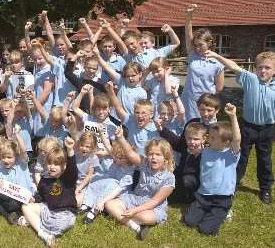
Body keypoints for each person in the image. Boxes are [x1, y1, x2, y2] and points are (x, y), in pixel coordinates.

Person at [205, 50, 275, 204]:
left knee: (264, 160)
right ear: (255, 68)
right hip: (248, 127)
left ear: (274, 70)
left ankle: (265, 189)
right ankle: (232, 184)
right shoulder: (251, 79)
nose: (263, 71)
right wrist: (217, 56)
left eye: (268, 68)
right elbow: (233, 66)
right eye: (260, 67)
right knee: (240, 157)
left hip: (267, 129)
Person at [183, 103, 241, 235]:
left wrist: (233, 117)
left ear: (226, 142)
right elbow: (190, 145)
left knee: (206, 229)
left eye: (213, 138)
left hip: (222, 198)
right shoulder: (205, 151)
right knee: (189, 221)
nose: (209, 139)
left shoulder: (231, 154)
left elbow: (237, 139)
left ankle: (223, 211)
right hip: (204, 195)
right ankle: (208, 212)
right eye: (209, 136)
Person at [105, 139, 175, 240]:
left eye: (158, 154)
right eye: (151, 154)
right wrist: (120, 138)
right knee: (109, 204)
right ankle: (136, 227)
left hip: (153, 206)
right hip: (135, 198)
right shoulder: (145, 163)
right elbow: (129, 152)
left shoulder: (169, 178)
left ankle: (120, 214)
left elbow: (154, 201)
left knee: (144, 217)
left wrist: (135, 210)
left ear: (165, 157)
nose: (153, 157)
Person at [21, 137, 77, 247]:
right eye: (49, 163)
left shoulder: (67, 178)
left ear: (64, 166)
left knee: (57, 224)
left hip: (64, 215)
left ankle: (35, 223)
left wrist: (70, 150)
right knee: (25, 207)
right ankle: (44, 235)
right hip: (49, 210)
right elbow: (41, 196)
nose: (52, 167)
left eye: (56, 164)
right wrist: (33, 199)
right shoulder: (44, 180)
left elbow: (72, 168)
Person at [182, 4, 224, 121]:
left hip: (206, 102)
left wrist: (209, 101)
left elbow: (219, 88)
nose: (197, 48)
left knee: (207, 129)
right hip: (189, 98)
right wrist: (189, 15)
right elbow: (188, 33)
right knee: (189, 127)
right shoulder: (193, 55)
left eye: (201, 45)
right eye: (195, 45)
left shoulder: (217, 62)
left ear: (209, 43)